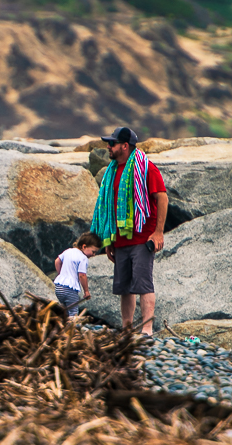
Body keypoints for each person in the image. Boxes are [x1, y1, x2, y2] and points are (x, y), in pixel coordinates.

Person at [90, 127, 167, 336]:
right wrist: (109, 241)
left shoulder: (146, 168)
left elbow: (162, 197)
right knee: (124, 288)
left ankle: (147, 330)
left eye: (112, 143)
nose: (108, 146)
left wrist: (158, 233)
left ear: (125, 146)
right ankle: (126, 328)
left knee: (143, 284)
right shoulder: (112, 171)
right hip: (121, 239)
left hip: (142, 237)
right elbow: (109, 206)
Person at [54, 232, 101, 317]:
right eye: (93, 252)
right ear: (84, 247)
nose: (94, 255)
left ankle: (64, 325)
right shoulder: (83, 258)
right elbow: (82, 275)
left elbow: (57, 261)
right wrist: (86, 291)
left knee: (65, 310)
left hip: (59, 288)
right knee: (73, 313)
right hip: (70, 289)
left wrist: (61, 274)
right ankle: (73, 327)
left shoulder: (68, 251)